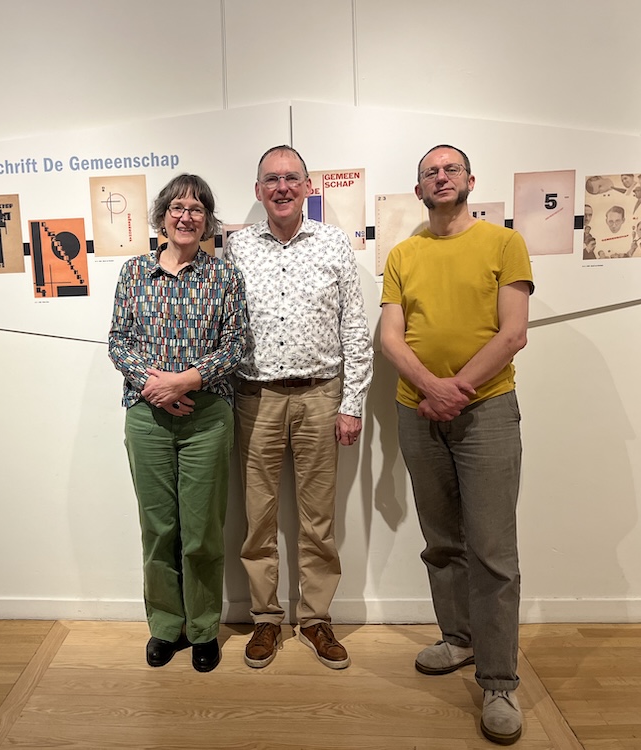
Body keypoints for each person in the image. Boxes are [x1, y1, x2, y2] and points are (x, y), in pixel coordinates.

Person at [380, 144, 533, 746]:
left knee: (493, 549)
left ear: (470, 180)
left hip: (487, 410)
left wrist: (455, 390)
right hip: (416, 412)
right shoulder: (402, 254)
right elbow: (392, 336)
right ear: (418, 190)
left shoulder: (503, 243)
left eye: (450, 169)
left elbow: (513, 332)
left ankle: (498, 681)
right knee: (442, 540)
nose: (440, 178)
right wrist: (429, 389)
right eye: (429, 173)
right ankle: (460, 639)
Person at [224, 145, 373, 671]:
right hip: (254, 398)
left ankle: (315, 618)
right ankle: (265, 618)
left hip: (320, 395)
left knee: (318, 519)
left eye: (291, 178)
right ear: (258, 190)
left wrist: (351, 402)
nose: (282, 187)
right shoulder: (236, 250)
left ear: (308, 186)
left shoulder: (334, 245)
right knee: (257, 518)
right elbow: (224, 329)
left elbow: (355, 329)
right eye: (272, 180)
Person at [108, 173, 247, 674]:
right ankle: (167, 626)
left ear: (207, 220)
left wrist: (185, 381)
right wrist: (156, 387)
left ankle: (204, 626)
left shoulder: (224, 276)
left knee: (203, 532)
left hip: (207, 417)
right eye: (177, 207)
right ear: (162, 216)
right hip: (147, 416)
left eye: (196, 208)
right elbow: (118, 341)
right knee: (158, 528)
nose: (186, 216)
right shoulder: (133, 273)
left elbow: (236, 346)